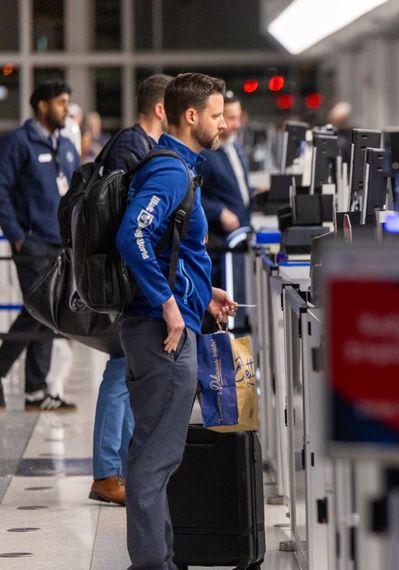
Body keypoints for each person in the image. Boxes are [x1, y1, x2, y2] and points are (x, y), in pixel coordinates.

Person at [115, 72, 237, 569]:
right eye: (215, 115)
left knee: (155, 453)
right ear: (191, 117)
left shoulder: (178, 167)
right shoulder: (170, 172)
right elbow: (133, 236)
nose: (223, 123)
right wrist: (167, 301)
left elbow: (169, 246)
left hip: (171, 321)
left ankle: (159, 558)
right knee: (154, 459)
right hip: (161, 332)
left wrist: (201, 291)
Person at [88, 74, 172, 507]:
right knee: (120, 371)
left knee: (124, 370)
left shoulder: (138, 144)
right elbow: (124, 222)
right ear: (161, 109)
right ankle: (106, 472)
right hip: (122, 276)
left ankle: (118, 466)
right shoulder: (131, 147)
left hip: (128, 275)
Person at [0, 80, 79, 412]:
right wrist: (17, 235)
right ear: (42, 106)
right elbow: (1, 190)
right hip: (32, 242)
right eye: (61, 102)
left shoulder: (65, 145)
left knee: (48, 314)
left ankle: (35, 390)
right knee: (38, 310)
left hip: (61, 242)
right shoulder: (19, 142)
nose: (66, 108)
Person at [197, 92, 254, 288]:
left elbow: (234, 185)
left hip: (242, 235)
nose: (237, 124)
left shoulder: (235, 147)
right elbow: (195, 195)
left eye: (239, 117)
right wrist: (219, 210)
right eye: (231, 118)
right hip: (221, 243)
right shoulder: (205, 154)